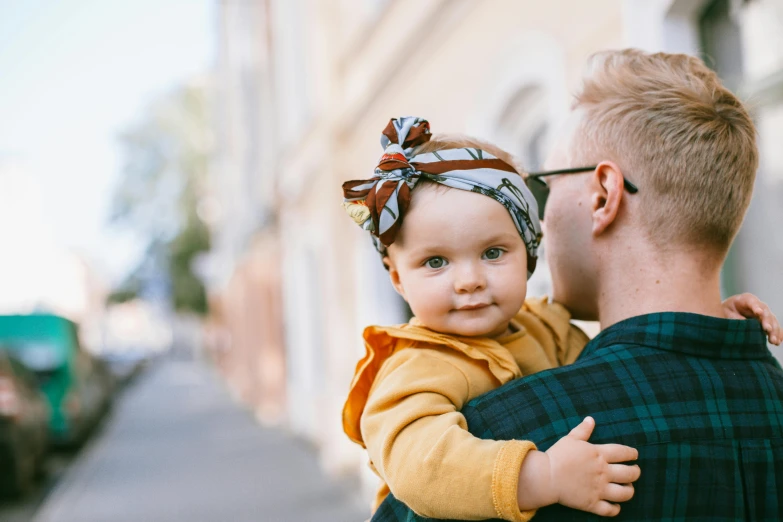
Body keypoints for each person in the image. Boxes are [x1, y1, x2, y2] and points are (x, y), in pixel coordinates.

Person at [373, 50, 783, 521]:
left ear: (603, 196)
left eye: (545, 187)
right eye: (436, 261)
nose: (541, 222)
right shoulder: (771, 397)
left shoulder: (504, 438)